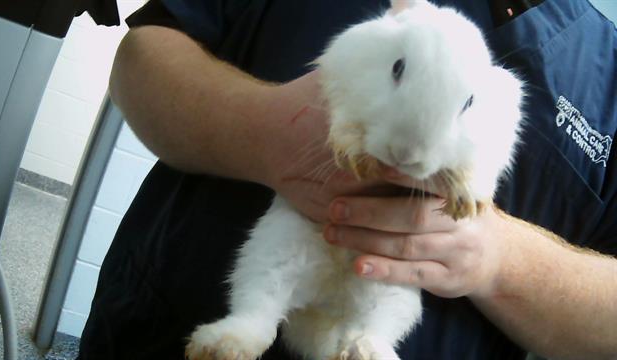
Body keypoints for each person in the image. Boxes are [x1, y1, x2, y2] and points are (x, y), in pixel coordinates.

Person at [77, 0, 617, 359]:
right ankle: (254, 318)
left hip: (382, 300)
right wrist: (263, 132)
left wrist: (499, 259)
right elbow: (142, 55)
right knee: (277, 260)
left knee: (388, 306)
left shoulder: (603, 72)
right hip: (161, 331)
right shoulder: (376, 39)